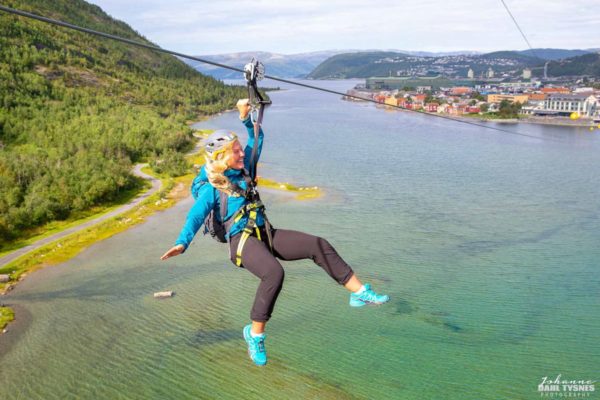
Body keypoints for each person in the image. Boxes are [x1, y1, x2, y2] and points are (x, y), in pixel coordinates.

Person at [161, 99, 389, 366]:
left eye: (239, 149)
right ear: (222, 158)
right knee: (274, 272)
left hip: (265, 234)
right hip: (241, 241)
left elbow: (257, 140)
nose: (241, 153)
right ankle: (254, 334)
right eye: (235, 151)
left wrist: (245, 118)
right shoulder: (213, 188)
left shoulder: (244, 170)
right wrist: (182, 243)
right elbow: (195, 216)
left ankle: (358, 292)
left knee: (317, 244)